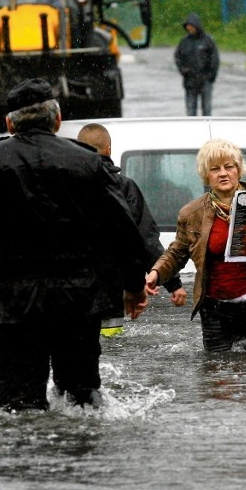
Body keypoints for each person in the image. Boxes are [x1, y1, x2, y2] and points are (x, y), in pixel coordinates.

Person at [0, 78, 148, 412]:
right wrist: (134, 285)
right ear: (57, 119)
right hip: (77, 300)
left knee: (19, 407)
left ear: (9, 124)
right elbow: (123, 227)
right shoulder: (87, 162)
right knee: (81, 400)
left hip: (15, 301)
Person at [144, 138, 246, 352]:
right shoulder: (192, 213)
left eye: (228, 167)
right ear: (206, 175)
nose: (223, 173)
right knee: (217, 377)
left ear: (239, 170)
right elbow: (177, 252)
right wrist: (156, 273)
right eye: (215, 169)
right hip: (215, 311)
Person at [76, 122, 187, 335]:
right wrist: (173, 283)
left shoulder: (63, 185)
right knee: (112, 356)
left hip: (69, 296)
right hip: (111, 297)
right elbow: (146, 241)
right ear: (109, 149)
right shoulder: (123, 188)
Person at [174, 12, 220, 116]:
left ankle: (207, 130)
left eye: (191, 27)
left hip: (205, 80)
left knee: (207, 110)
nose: (190, 30)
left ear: (196, 26)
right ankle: (192, 131)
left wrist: (211, 76)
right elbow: (178, 57)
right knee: (190, 111)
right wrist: (183, 70)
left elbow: (214, 59)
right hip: (190, 81)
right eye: (188, 28)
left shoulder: (208, 41)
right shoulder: (184, 42)